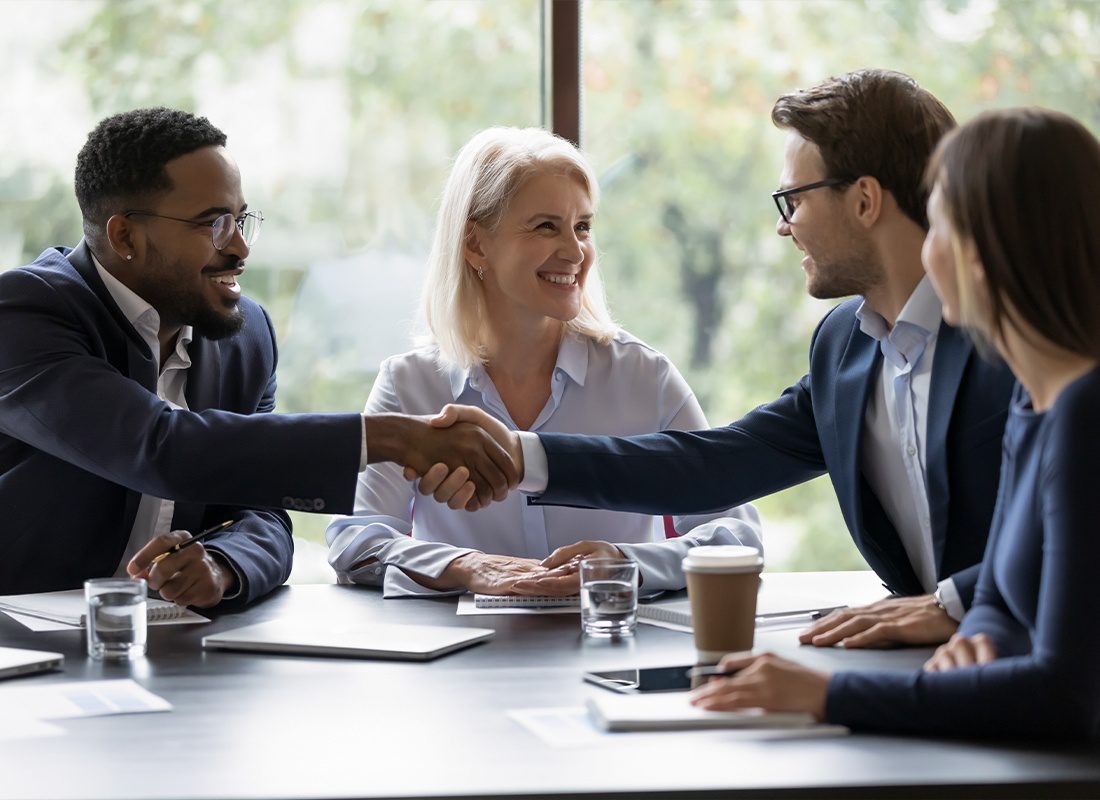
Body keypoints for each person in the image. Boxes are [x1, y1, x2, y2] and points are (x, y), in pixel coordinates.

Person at [418, 69, 1016, 646]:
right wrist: (515, 455)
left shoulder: (1022, 335)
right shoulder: (845, 348)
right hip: (928, 673)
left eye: (794, 199)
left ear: (863, 201)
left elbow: (1072, 523)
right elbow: (713, 464)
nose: (786, 228)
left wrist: (954, 603)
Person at [690, 107, 1100, 738]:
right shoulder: (1036, 404)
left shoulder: (1083, 416)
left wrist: (827, 693)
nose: (924, 252)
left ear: (988, 250)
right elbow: (997, 596)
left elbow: (1066, 695)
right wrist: (981, 640)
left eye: (937, 225)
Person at [0, 108, 517, 607]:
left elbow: (263, 513)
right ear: (125, 236)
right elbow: (159, 448)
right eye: (214, 224)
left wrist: (223, 566)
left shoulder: (244, 336)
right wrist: (393, 438)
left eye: (242, 219)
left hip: (172, 648)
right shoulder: (23, 314)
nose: (241, 248)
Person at [326, 127, 761, 597]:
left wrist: (624, 563)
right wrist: (466, 566)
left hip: (612, 651)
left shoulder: (643, 377)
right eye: (546, 227)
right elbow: (356, 539)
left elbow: (736, 536)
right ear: (475, 244)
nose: (575, 252)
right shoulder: (410, 383)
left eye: (583, 227)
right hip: (465, 661)